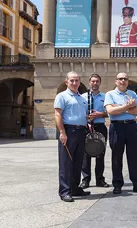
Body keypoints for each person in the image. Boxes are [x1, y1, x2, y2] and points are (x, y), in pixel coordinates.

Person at [104, 72, 137, 194]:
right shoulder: (110, 94)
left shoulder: (132, 94)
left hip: (131, 126)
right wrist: (128, 107)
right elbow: (111, 111)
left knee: (135, 156)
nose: (123, 81)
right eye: (120, 79)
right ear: (116, 81)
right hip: (117, 127)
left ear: (128, 81)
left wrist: (121, 108)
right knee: (117, 157)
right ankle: (117, 184)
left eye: (125, 79)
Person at [54, 71, 91, 202]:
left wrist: (88, 120)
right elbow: (58, 115)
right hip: (68, 131)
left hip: (81, 131)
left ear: (80, 82)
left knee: (78, 162)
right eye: (72, 81)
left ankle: (75, 188)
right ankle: (64, 191)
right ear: (66, 82)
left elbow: (81, 115)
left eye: (77, 80)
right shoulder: (62, 96)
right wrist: (62, 132)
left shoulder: (82, 98)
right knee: (66, 162)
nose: (74, 83)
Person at [79, 74, 110, 189]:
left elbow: (109, 113)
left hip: (100, 126)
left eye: (97, 81)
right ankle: (86, 179)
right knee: (85, 154)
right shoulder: (82, 97)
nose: (95, 83)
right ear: (89, 82)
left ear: (100, 83)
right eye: (93, 81)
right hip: (86, 127)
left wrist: (100, 114)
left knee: (100, 153)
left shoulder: (105, 97)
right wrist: (86, 116)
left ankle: (100, 179)